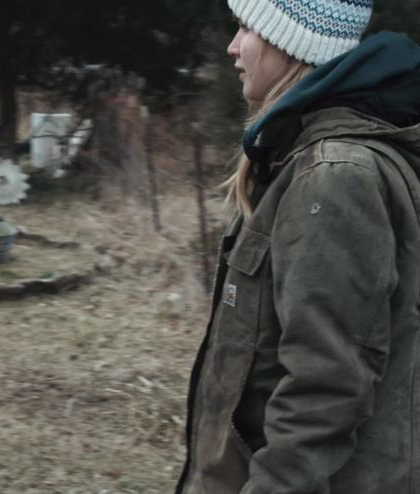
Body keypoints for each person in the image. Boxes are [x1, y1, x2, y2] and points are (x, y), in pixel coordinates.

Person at [177, 0, 420, 492]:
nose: (232, 47)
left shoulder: (334, 177)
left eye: (246, 28)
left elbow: (323, 392)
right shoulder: (303, 158)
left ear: (291, 42)